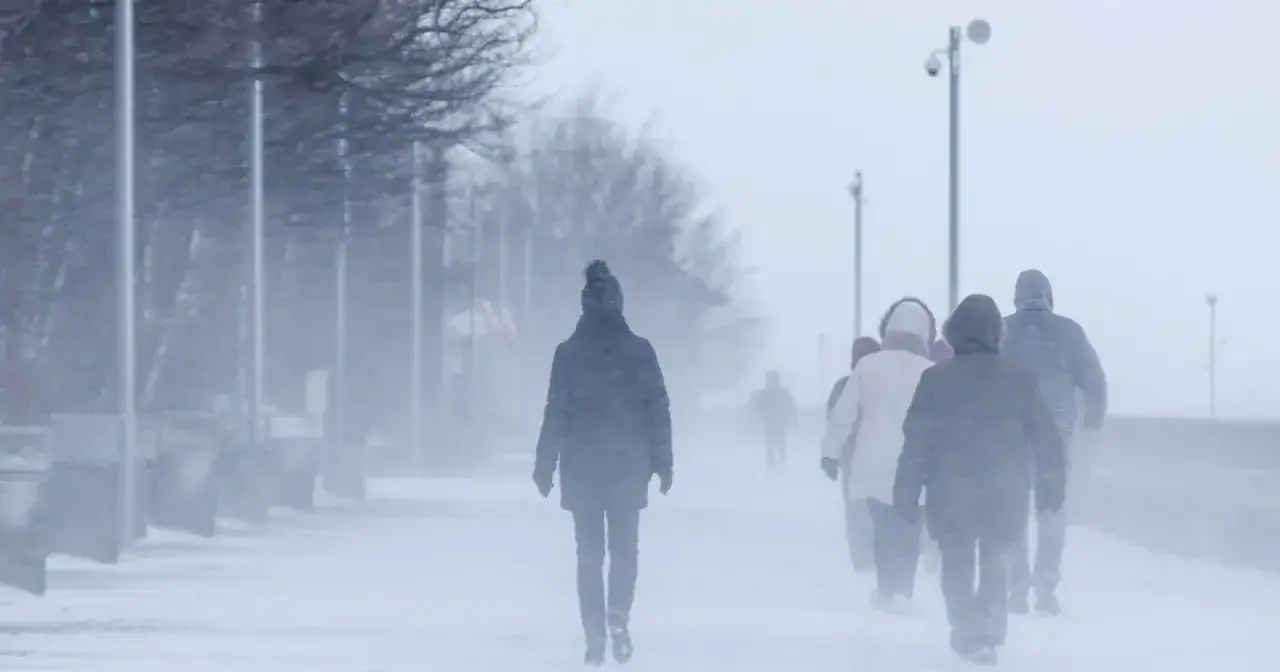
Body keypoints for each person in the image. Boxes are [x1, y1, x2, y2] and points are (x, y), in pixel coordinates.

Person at [893, 294, 1066, 664]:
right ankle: (986, 630)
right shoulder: (1020, 380)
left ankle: (965, 628)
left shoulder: (935, 379)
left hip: (949, 490)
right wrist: (1052, 486)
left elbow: (917, 442)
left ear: (955, 333)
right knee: (996, 562)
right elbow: (1047, 440)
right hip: (1004, 492)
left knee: (955, 561)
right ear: (996, 334)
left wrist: (906, 491)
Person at [533, 260, 673, 666]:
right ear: (619, 304)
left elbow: (556, 410)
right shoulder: (640, 351)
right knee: (626, 548)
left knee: (589, 552)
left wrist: (545, 464)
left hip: (582, 464)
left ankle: (593, 628)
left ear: (585, 305)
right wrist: (663, 461)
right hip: (628, 462)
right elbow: (657, 408)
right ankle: (618, 614)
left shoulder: (569, 352)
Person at [1001, 269, 1107, 616]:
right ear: (1049, 296)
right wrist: (1093, 417)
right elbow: (1092, 377)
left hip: (1011, 432)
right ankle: (1045, 588)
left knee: (1014, 512)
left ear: (1017, 297)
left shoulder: (1002, 330)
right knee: (1051, 510)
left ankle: (1016, 590)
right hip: (1053, 434)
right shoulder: (1069, 331)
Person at [820, 298, 936, 611]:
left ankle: (886, 590)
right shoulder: (930, 370)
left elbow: (843, 414)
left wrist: (830, 454)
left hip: (871, 457)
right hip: (915, 462)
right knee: (909, 526)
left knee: (883, 526)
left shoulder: (867, 366)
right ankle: (904, 590)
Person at [825, 336, 882, 573]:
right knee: (880, 508)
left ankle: (862, 558)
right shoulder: (887, 384)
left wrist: (833, 455)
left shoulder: (843, 386)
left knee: (856, 509)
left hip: (853, 458)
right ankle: (878, 557)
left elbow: (834, 420)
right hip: (882, 456)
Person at [750, 371, 798, 473]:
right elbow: (792, 408)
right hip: (775, 425)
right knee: (775, 448)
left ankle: (774, 468)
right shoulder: (781, 392)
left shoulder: (769, 393)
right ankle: (775, 468)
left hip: (775, 425)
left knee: (775, 448)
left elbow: (792, 408)